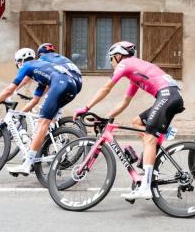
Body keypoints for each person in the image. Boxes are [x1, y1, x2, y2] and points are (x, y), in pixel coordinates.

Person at [74, 41, 184, 200]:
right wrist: (107, 117)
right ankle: (150, 155)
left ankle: (145, 187)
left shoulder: (125, 63)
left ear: (118, 56)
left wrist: (86, 107)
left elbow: (106, 88)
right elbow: (125, 102)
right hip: (171, 96)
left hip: (167, 96)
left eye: (111, 58)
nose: (111, 62)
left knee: (150, 139)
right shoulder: (135, 72)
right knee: (137, 122)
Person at [0, 48, 79, 176]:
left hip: (60, 83)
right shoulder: (41, 73)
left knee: (42, 123)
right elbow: (34, 101)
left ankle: (27, 164)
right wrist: (18, 113)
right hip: (72, 86)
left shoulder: (27, 66)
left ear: (20, 62)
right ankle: (40, 151)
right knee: (44, 122)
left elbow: (9, 90)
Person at [17, 43, 83, 114]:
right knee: (54, 100)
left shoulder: (42, 59)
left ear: (40, 54)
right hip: (78, 83)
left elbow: (26, 78)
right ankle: (55, 121)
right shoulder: (59, 57)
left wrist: (16, 89)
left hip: (65, 80)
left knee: (46, 105)